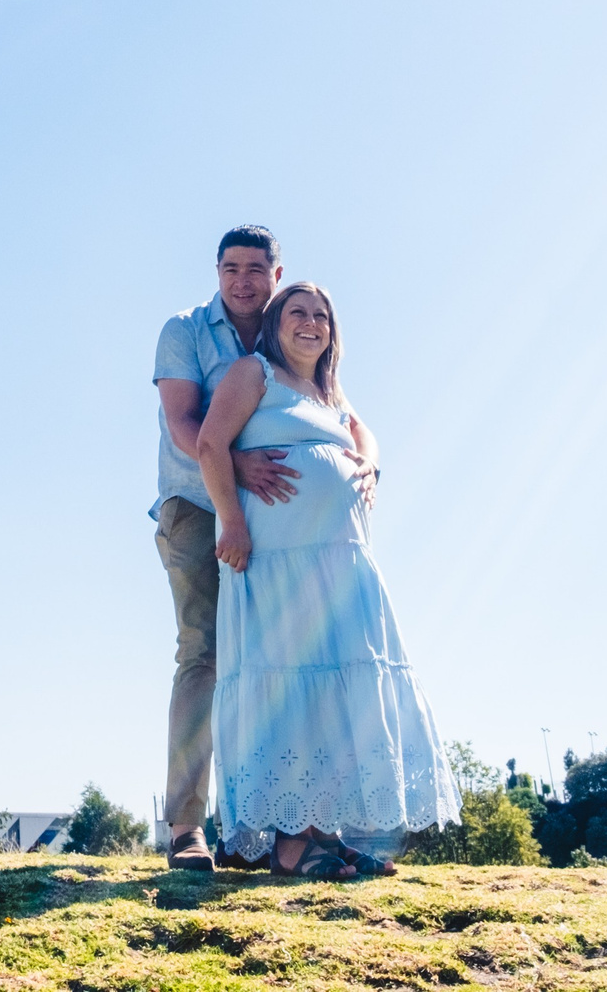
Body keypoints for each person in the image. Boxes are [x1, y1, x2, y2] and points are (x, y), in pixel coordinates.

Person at [195, 283, 456, 876]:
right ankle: (290, 846)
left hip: (338, 566)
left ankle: (326, 832)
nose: (310, 323)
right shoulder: (252, 373)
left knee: (335, 689)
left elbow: (366, 434)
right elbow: (210, 443)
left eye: (321, 315)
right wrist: (231, 522)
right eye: (297, 313)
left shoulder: (328, 391)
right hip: (277, 563)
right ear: (275, 325)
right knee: (289, 687)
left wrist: (367, 461)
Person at [150, 226, 307, 873]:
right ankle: (187, 826)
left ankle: (260, 830)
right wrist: (234, 465)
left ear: (276, 271)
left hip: (271, 516)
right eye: (230, 267)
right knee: (204, 654)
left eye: (255, 267)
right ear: (216, 271)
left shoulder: (288, 328)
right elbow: (184, 422)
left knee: (273, 665)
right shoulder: (184, 330)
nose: (243, 279)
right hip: (195, 506)